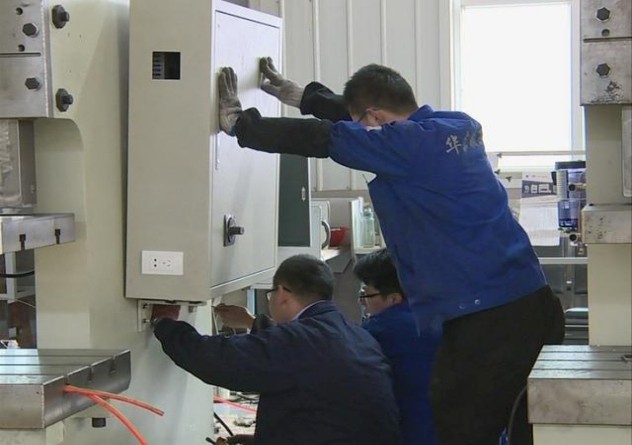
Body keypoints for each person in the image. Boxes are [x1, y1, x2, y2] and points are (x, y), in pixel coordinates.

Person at [216, 59, 565, 445]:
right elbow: (370, 124)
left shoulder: (403, 145)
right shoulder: (457, 125)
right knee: (516, 428)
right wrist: (306, 98)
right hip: (529, 303)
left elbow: (324, 138)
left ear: (376, 117)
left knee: (463, 429)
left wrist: (242, 126)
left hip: (487, 318)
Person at [151, 254, 400, 445]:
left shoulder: (299, 341)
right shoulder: (354, 333)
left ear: (281, 293)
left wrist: (165, 323)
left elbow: (216, 359)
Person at [353, 248, 439, 445]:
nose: (363, 303)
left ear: (393, 298)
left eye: (366, 295)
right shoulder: (441, 316)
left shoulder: (381, 330)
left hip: (414, 432)